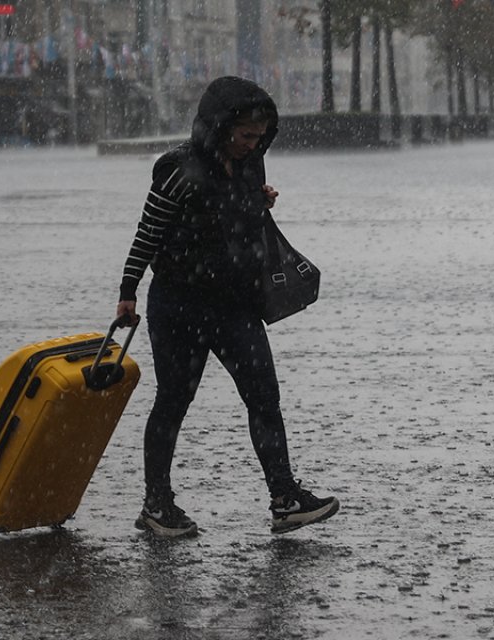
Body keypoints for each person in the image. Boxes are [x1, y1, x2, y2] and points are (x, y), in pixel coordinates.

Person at [115, 76, 339, 538]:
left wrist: (259, 201)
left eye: (259, 138)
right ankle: (156, 505)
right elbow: (148, 233)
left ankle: (284, 498)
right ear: (218, 127)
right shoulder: (178, 170)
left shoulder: (251, 164)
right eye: (244, 136)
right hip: (180, 304)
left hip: (234, 302)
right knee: (174, 401)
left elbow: (237, 218)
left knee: (264, 396)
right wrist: (127, 292)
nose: (251, 145)